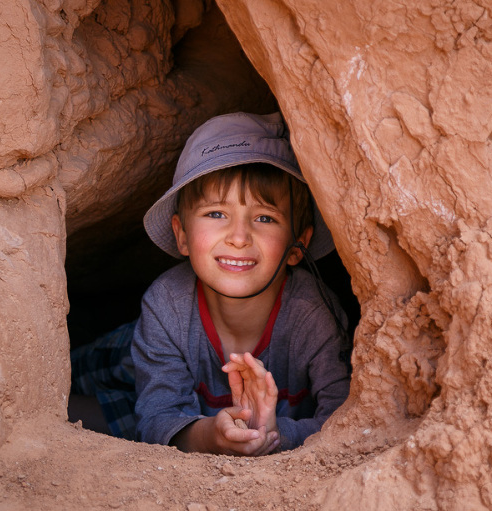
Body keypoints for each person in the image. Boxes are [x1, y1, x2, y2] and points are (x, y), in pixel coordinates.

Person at [132, 111, 351, 455]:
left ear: (298, 245)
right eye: (216, 213)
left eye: (265, 218)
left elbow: (351, 417)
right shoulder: (166, 306)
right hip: (129, 357)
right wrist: (210, 437)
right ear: (182, 235)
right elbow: (155, 418)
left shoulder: (315, 316)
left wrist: (273, 433)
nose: (238, 237)